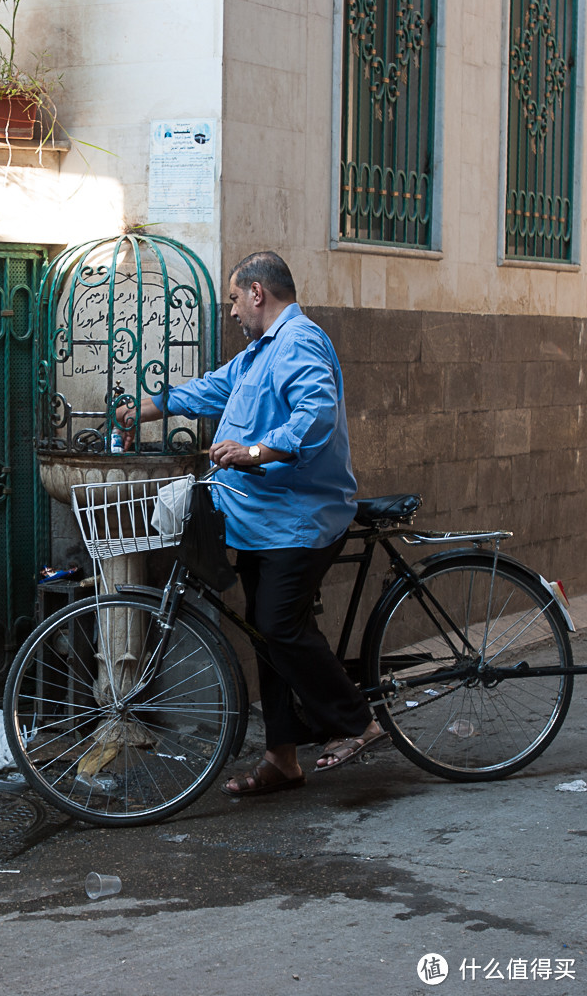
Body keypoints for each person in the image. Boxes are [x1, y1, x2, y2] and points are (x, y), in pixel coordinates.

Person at [115, 250, 387, 796]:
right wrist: (150, 407)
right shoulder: (259, 352)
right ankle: (282, 759)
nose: (234, 311)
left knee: (280, 625)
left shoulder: (300, 341)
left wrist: (256, 451)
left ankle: (359, 721)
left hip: (300, 518)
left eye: (235, 298)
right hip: (261, 518)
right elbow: (215, 388)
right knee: (268, 635)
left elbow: (315, 418)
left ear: (258, 293)